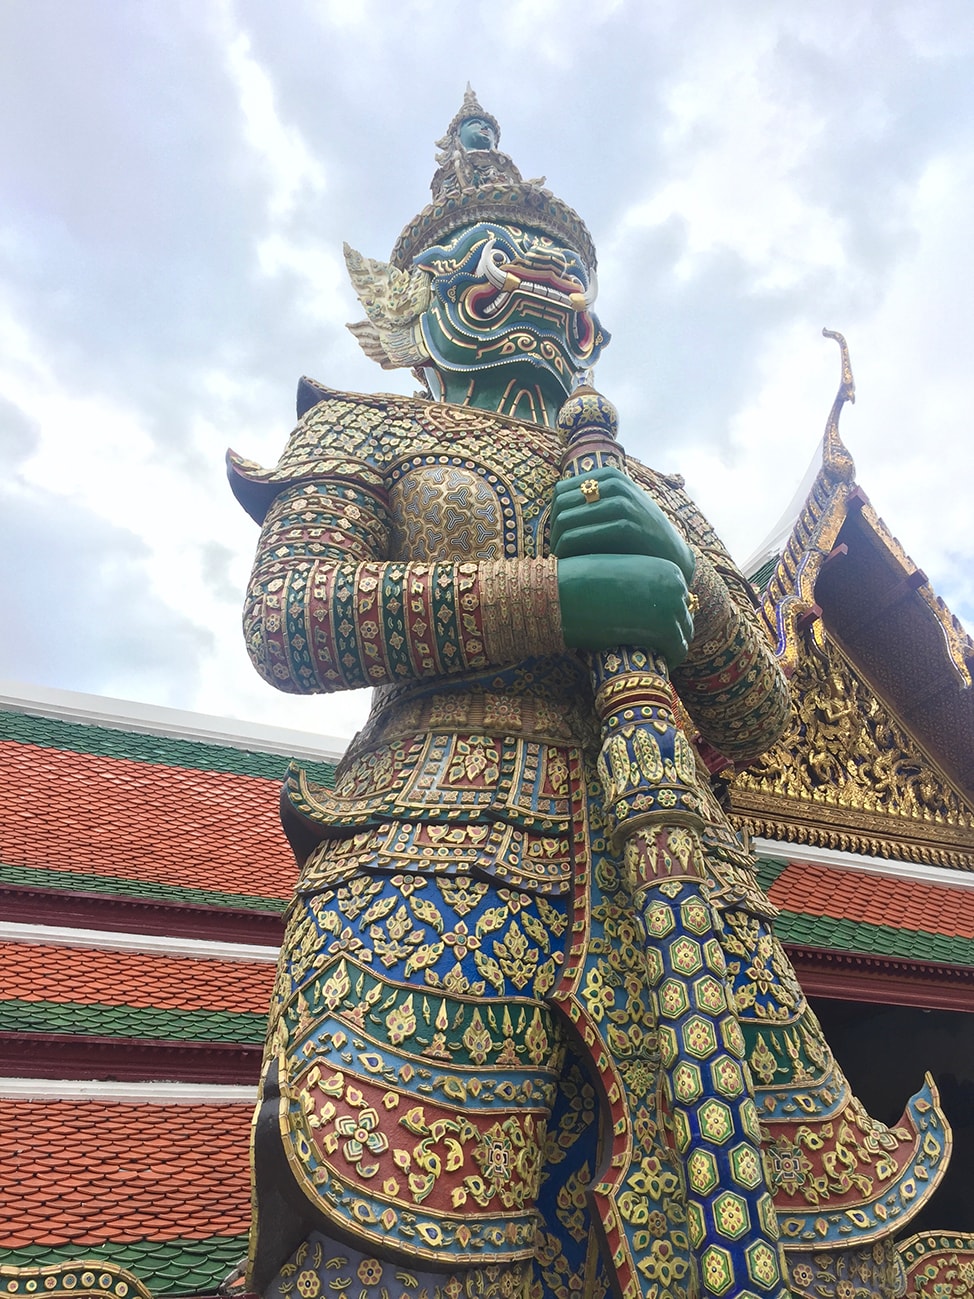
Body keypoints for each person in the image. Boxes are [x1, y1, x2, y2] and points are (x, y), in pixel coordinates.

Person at [229, 90, 947, 1299]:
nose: (548, 296)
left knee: (793, 1247)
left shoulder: (653, 485)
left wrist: (680, 593)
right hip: (437, 846)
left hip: (675, 860)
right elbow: (292, 615)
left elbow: (759, 714)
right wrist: (557, 600)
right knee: (422, 1245)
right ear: (419, 305)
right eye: (506, 268)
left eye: (570, 280)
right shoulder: (362, 433)